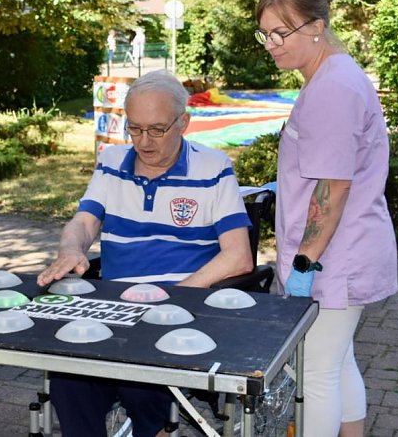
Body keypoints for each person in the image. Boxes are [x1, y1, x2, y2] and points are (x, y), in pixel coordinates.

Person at [37, 69, 253, 437]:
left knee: (143, 377)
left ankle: (156, 429)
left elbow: (239, 257)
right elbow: (85, 223)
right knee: (69, 379)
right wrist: (71, 249)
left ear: (183, 122)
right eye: (134, 129)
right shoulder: (111, 162)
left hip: (181, 309)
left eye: (157, 129)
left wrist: (173, 297)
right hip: (117, 309)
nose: (144, 142)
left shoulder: (213, 167)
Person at [254, 0, 398, 437]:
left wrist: (302, 268)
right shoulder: (337, 73)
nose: (272, 44)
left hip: (331, 261)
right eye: (265, 33)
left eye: (281, 32)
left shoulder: (332, 88)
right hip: (345, 254)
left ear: (316, 25)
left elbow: (332, 192)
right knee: (337, 362)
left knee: (313, 375)